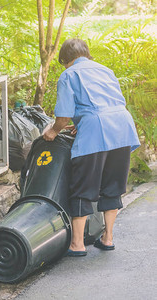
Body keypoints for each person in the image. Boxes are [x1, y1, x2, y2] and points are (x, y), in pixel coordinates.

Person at [43, 38, 140, 257]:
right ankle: (108, 238)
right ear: (87, 54)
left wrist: (52, 132)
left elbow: (64, 115)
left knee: (83, 186)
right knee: (113, 184)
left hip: (95, 130)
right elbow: (108, 102)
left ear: (66, 60)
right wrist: (82, 122)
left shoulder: (69, 74)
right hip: (122, 127)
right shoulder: (106, 70)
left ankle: (77, 244)